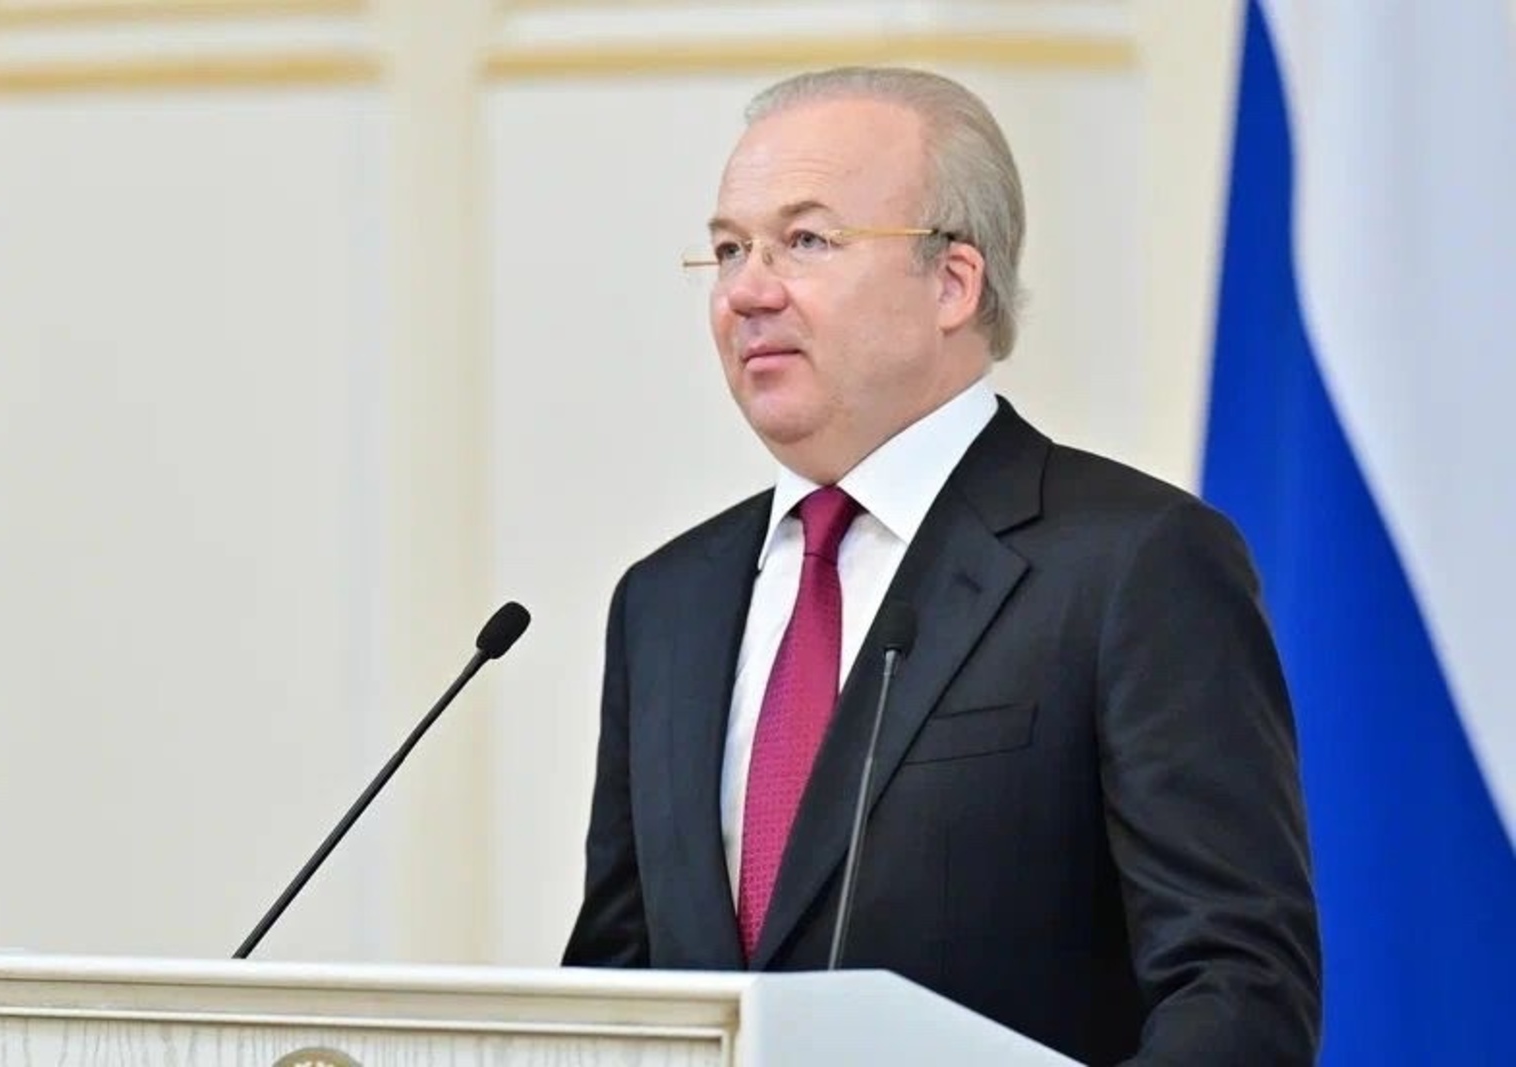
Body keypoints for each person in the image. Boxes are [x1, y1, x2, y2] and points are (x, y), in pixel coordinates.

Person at [562, 66, 1320, 1065]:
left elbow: (1235, 986)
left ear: (953, 282)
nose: (746, 291)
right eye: (729, 248)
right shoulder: (667, 601)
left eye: (806, 240)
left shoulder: (1134, 563)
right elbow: (618, 994)